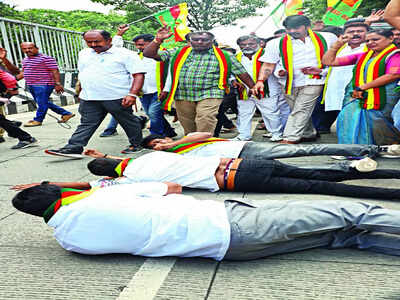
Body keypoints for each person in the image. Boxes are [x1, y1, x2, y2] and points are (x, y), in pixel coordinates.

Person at [11, 181, 400, 260]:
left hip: (231, 251)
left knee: (345, 237)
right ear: (62, 193)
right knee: (352, 212)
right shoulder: (105, 195)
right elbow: (171, 187)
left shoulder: (71, 243)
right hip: (234, 223)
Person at [84, 149, 400, 201]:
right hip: (249, 163)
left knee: (322, 187)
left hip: (242, 181)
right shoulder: (152, 155)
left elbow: (175, 188)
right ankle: (390, 172)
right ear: (115, 160)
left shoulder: (137, 180)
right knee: (326, 174)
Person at [45, 30, 147, 157]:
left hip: (116, 97)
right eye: (89, 42)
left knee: (127, 121)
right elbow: (83, 72)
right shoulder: (84, 53)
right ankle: (74, 147)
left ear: (109, 40)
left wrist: (132, 94)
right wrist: (81, 90)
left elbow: (138, 75)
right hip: (89, 97)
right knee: (87, 122)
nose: (93, 45)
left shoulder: (126, 54)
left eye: (97, 41)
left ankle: (137, 144)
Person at [143, 26, 255, 135]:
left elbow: (241, 73)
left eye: (204, 40)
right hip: (183, 94)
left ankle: (205, 145)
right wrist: (158, 40)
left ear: (212, 41)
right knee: (188, 124)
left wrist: (253, 87)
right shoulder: (178, 52)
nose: (200, 42)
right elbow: (149, 54)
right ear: (190, 41)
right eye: (196, 40)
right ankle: (194, 145)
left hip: (211, 93)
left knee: (206, 118)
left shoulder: (225, 55)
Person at [252, 15, 337, 144]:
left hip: (315, 80)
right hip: (287, 83)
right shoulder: (275, 43)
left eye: (296, 28)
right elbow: (268, 65)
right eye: (288, 29)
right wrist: (260, 81)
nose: (292, 31)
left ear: (308, 26)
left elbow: (337, 55)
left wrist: (322, 71)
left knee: (301, 108)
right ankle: (308, 133)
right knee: (298, 109)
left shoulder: (328, 38)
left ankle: (290, 137)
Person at [322, 29, 400, 145]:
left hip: (381, 97)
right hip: (358, 95)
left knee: (378, 124)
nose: (370, 43)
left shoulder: (395, 55)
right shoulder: (363, 56)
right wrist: (336, 46)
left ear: (390, 39)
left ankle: (380, 147)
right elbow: (329, 61)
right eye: (368, 40)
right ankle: (352, 149)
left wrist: (363, 87)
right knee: (348, 118)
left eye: (375, 39)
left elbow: (393, 75)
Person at [100, 26, 176, 138]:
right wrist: (119, 35)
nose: (138, 47)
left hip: (160, 91)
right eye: (136, 45)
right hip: (143, 92)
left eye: (141, 44)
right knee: (153, 113)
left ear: (151, 42)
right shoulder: (135, 56)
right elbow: (116, 49)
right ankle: (169, 131)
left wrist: (166, 89)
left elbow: (171, 73)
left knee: (153, 113)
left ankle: (156, 136)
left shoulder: (163, 55)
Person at [141, 131, 400, 160]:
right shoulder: (171, 157)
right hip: (241, 165)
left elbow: (204, 133)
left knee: (307, 150)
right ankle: (359, 163)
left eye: (159, 140)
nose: (159, 145)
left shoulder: (180, 145)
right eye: (155, 146)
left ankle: (375, 149)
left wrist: (174, 142)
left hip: (245, 149)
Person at [314, 22, 369, 134]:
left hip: (357, 89)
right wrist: (321, 72)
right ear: (343, 35)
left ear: (368, 34)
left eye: (360, 31)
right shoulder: (341, 48)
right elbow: (332, 65)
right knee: (321, 121)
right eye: (351, 32)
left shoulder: (369, 49)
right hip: (334, 88)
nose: (355, 34)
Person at [233, 35, 288, 142]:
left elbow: (276, 68)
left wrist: (280, 72)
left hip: (267, 89)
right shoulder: (236, 57)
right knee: (244, 113)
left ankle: (276, 133)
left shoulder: (267, 54)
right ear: (239, 46)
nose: (247, 46)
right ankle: (244, 135)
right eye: (243, 45)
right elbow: (231, 71)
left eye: (251, 44)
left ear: (259, 44)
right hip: (244, 91)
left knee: (270, 113)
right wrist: (233, 81)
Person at [19, 42, 74, 127]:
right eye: (25, 49)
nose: (27, 50)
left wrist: (58, 84)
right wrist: (12, 80)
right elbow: (23, 72)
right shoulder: (25, 60)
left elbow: (55, 71)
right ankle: (66, 114)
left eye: (30, 48)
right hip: (31, 84)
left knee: (42, 103)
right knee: (43, 102)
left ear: (36, 48)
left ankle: (38, 120)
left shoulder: (46, 58)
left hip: (44, 84)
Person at [0, 69, 38, 149]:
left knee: (2, 120)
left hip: (5, 92)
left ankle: (26, 138)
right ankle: (13, 126)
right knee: (2, 120)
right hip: (7, 91)